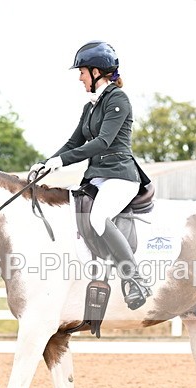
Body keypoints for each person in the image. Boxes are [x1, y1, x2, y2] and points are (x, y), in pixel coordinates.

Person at [29, 40, 149, 310]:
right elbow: (74, 142)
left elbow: (103, 142)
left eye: (82, 72)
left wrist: (62, 161)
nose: (80, 78)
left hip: (120, 176)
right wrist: (46, 163)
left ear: (96, 72)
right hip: (96, 177)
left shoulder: (118, 99)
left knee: (98, 217)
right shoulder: (90, 107)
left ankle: (134, 278)